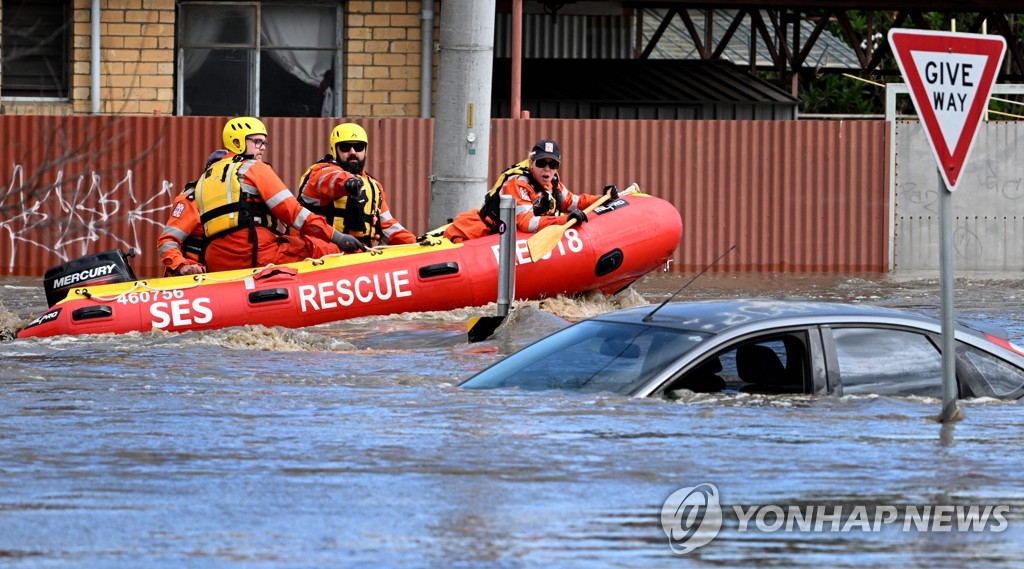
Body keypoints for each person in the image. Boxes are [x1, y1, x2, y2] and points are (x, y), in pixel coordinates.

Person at [193, 117, 365, 272]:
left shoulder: (204, 180)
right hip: (254, 252)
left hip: (216, 259)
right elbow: (293, 212)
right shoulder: (254, 168)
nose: (262, 149)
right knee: (322, 248)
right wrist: (337, 237)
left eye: (264, 143)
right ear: (237, 142)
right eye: (257, 142)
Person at [443, 139, 618, 243]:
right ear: (531, 162)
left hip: (504, 236)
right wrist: (565, 220)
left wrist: (605, 198)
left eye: (553, 165)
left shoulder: (552, 182)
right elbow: (527, 222)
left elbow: (572, 202)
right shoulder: (518, 181)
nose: (547, 169)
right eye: (542, 163)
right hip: (479, 232)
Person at [297, 123, 416, 247]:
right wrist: (348, 182)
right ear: (334, 150)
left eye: (358, 147)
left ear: (365, 150)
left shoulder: (373, 185)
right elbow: (331, 179)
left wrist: (416, 243)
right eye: (345, 147)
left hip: (359, 254)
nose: (352, 152)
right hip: (319, 253)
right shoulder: (321, 172)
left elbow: (388, 226)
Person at [157, 149, 229, 276]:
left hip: (222, 275)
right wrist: (182, 266)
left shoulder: (236, 201)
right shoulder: (191, 200)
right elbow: (167, 241)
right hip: (192, 277)